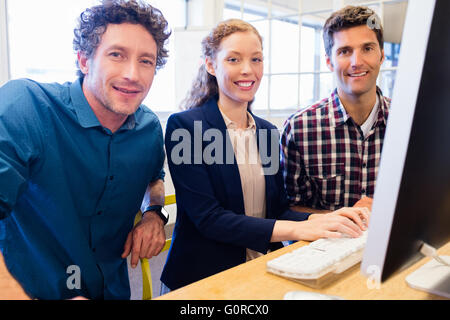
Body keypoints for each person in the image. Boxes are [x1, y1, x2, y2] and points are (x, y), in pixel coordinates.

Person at [160, 19, 370, 292]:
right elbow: (208, 219)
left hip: (259, 270)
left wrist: (325, 219)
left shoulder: (268, 132)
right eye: (234, 59)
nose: (248, 70)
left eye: (256, 59)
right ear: (211, 65)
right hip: (202, 280)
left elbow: (277, 210)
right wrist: (298, 230)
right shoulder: (185, 127)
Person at [0, 0, 171, 300]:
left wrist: (154, 214)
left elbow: (153, 178)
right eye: (116, 55)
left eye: (146, 61)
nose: (133, 74)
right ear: (83, 60)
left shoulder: (149, 129)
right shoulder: (26, 105)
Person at [281, 6, 390, 213]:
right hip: (327, 244)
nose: (357, 62)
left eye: (367, 48)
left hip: (398, 243)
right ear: (329, 61)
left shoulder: (411, 124)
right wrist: (344, 218)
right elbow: (292, 209)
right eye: (345, 51)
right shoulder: (299, 129)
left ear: (381, 56)